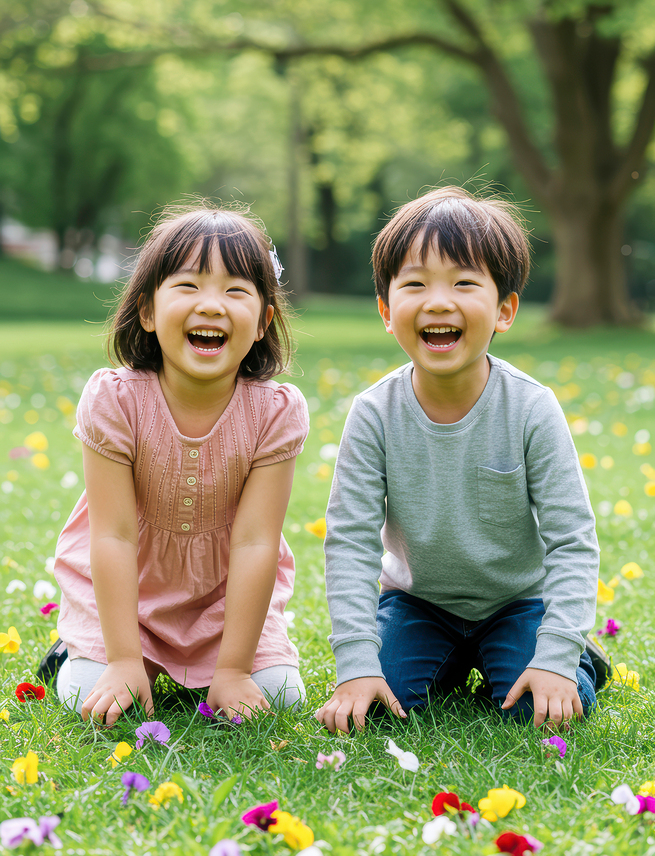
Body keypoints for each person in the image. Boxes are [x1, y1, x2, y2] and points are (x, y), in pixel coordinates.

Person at [317, 186, 606, 734]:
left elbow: (572, 538)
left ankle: (571, 655)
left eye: (464, 282)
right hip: (417, 603)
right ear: (385, 310)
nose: (438, 301)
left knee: (537, 710)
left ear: (504, 310)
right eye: (415, 283)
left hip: (518, 601)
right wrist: (355, 667)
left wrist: (557, 657)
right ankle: (445, 660)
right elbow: (351, 541)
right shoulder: (374, 413)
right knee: (382, 707)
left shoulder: (532, 408)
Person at [39, 203, 309, 727]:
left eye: (236, 291)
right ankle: (84, 648)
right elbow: (112, 536)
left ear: (262, 321)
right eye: (187, 286)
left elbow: (257, 543)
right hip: (128, 597)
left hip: (222, 599)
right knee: (83, 693)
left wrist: (232, 669)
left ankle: (214, 664)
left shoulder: (276, 411)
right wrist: (121, 660)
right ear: (146, 311)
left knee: (283, 695)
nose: (211, 305)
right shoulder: (114, 400)